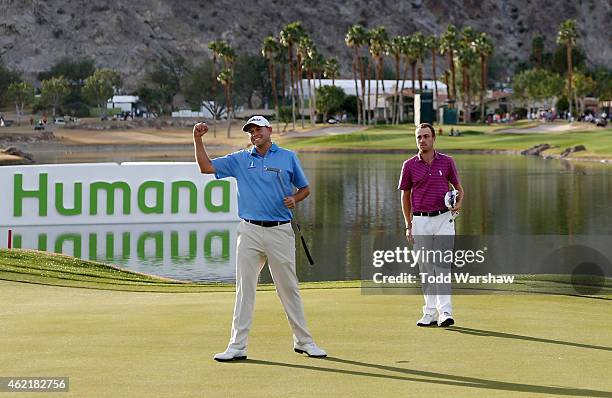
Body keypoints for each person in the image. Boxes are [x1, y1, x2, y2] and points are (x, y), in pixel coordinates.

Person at [193, 115, 326, 362]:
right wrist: (197, 139)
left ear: (269, 130)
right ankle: (237, 346)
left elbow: (305, 188)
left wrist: (295, 199)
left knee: (288, 289)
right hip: (250, 231)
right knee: (244, 290)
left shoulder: (288, 157)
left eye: (257, 129)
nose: (254, 133)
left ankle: (304, 341)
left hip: (280, 230)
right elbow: (206, 167)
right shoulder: (240, 159)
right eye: (250, 131)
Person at [398, 123, 464, 328]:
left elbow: (459, 188)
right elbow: (405, 196)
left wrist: (458, 204)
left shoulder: (447, 162)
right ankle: (429, 313)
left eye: (426, 136)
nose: (422, 140)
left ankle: (445, 312)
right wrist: (408, 225)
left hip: (444, 219)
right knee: (426, 268)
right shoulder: (409, 165)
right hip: (419, 220)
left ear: (434, 138)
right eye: (419, 137)